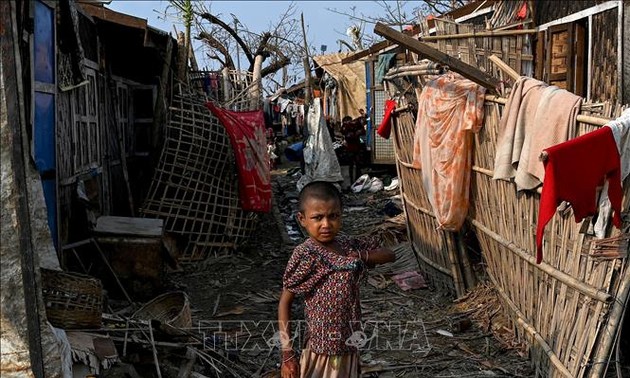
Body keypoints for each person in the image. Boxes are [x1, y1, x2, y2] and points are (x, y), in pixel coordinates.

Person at [278, 181, 396, 378]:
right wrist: (287, 354)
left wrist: (361, 256)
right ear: (302, 219)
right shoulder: (306, 254)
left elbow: (389, 254)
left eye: (333, 216)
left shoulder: (346, 244)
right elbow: (285, 302)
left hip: (348, 345)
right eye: (317, 218)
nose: (326, 224)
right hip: (321, 349)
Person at [340, 115, 367, 183]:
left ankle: (354, 180)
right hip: (353, 149)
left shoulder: (351, 127)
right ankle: (354, 180)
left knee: (354, 166)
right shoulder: (348, 128)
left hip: (353, 149)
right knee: (355, 166)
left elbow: (362, 132)